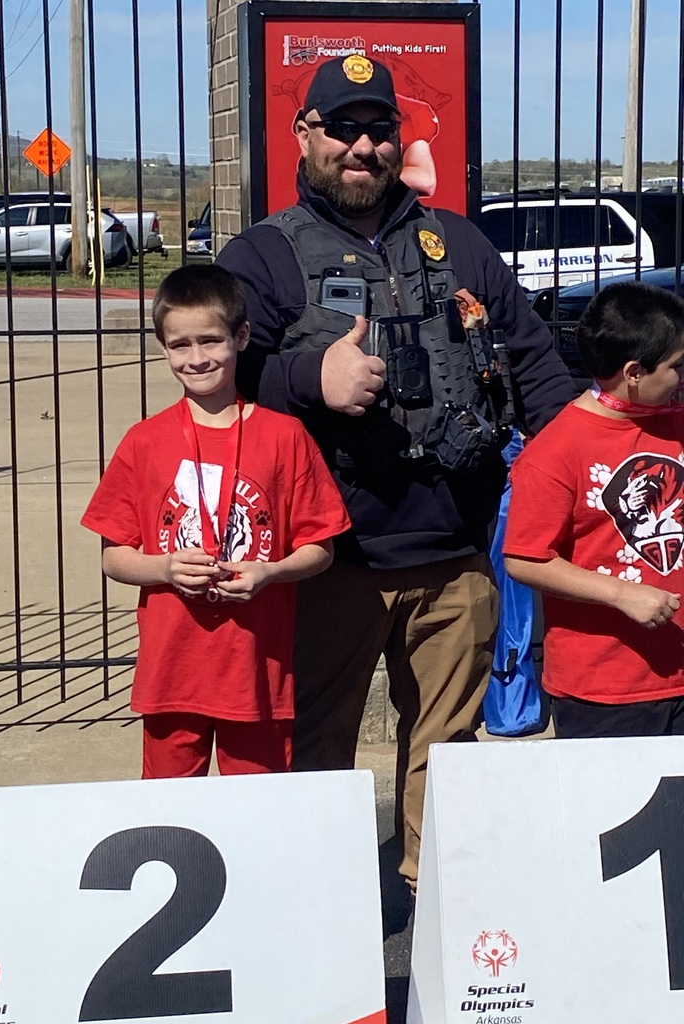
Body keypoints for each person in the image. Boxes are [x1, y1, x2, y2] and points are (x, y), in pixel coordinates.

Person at [216, 54, 577, 889]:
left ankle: (433, 899)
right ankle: (320, 905)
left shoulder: (457, 242)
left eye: (379, 129)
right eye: (342, 127)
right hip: (326, 560)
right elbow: (220, 377)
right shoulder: (264, 255)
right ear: (306, 134)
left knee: (447, 755)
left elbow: (534, 368)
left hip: (453, 553)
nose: (363, 146)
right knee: (315, 746)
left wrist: (585, 477)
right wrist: (312, 379)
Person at [81, 264, 351, 778]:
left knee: (259, 816)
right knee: (169, 816)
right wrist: (164, 569)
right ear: (163, 348)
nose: (197, 358)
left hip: (256, 675)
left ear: (241, 336)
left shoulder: (284, 437)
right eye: (180, 345)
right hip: (171, 674)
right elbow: (114, 556)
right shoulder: (144, 442)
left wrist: (270, 572)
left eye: (211, 340)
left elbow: (321, 547)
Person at [504, 282, 684, 739]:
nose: (683, 379)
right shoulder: (555, 452)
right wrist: (622, 594)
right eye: (676, 367)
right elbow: (525, 558)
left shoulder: (673, 419)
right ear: (634, 372)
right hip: (606, 689)